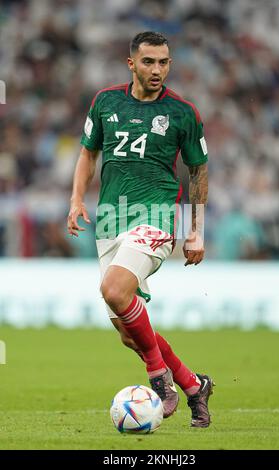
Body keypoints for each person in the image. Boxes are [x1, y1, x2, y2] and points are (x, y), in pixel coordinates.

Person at [67, 31, 214, 427]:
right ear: (131, 63)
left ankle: (158, 378)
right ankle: (193, 385)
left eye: (164, 62)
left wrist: (196, 229)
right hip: (112, 219)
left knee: (114, 290)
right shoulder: (105, 101)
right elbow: (88, 152)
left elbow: (198, 170)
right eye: (149, 62)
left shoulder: (183, 112)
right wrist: (77, 199)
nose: (157, 70)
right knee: (129, 332)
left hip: (156, 214)